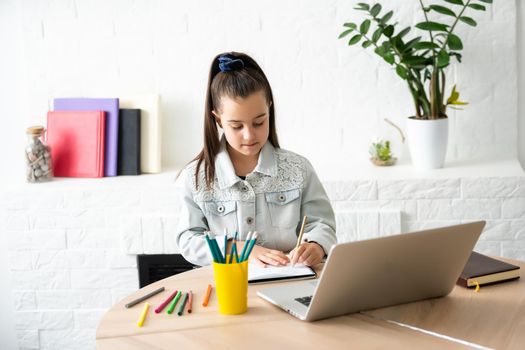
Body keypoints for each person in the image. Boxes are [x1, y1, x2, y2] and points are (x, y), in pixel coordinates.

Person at [176, 52, 336, 267]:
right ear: (218, 119)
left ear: (269, 109)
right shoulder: (195, 177)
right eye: (236, 126)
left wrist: (316, 245)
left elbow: (322, 223)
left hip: (289, 283)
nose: (249, 135)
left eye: (259, 122)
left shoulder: (299, 169)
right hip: (227, 287)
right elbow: (188, 240)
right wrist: (238, 248)